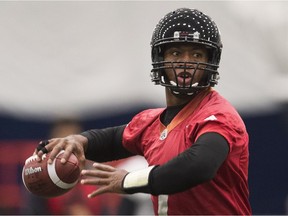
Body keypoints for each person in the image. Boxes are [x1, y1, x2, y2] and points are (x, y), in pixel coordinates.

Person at [35, 8, 252, 215]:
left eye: (196, 54)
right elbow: (111, 140)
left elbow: (200, 166)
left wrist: (128, 181)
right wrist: (78, 141)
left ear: (210, 60)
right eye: (176, 53)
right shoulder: (152, 123)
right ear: (160, 59)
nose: (186, 63)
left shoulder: (219, 116)